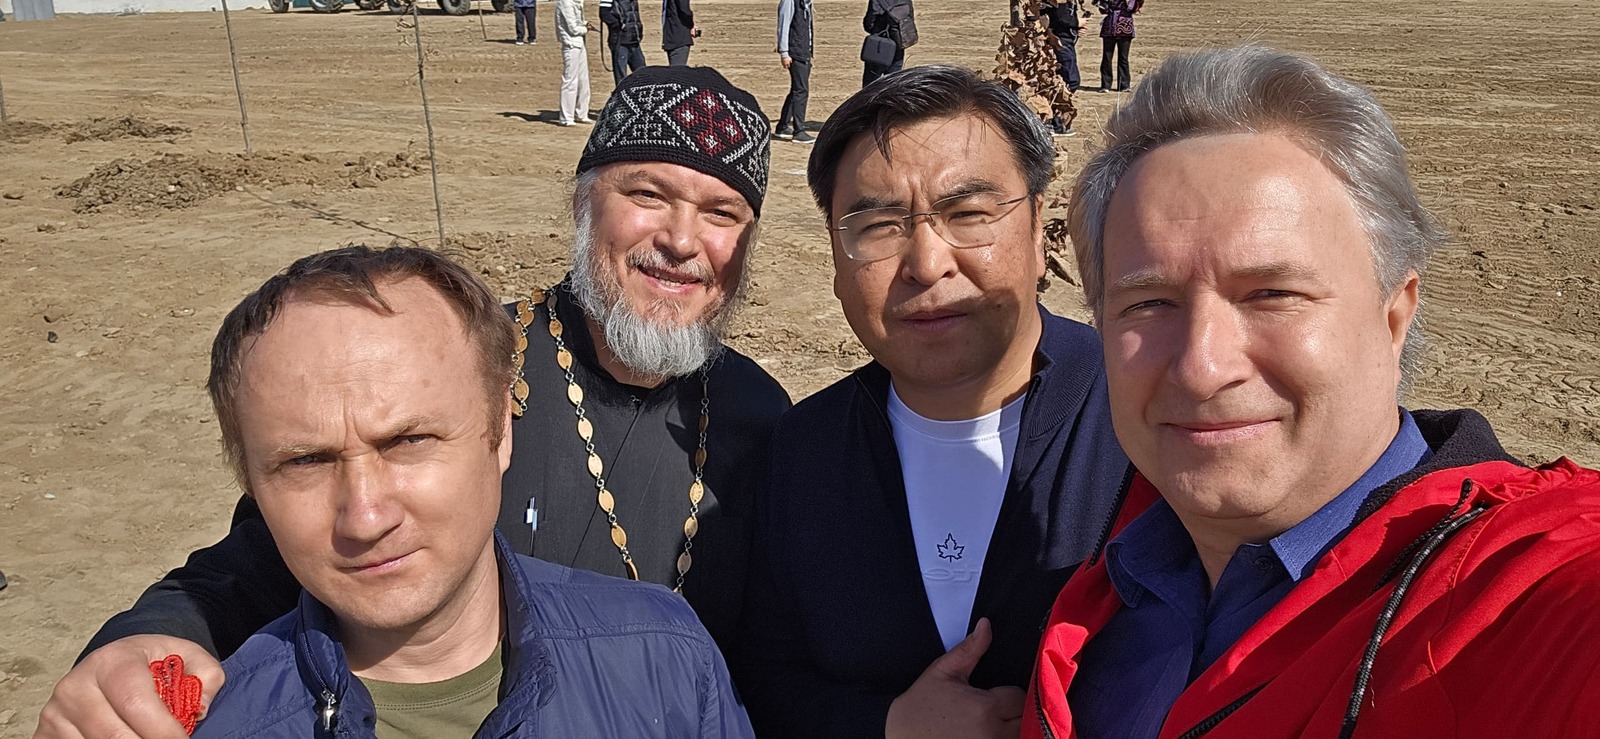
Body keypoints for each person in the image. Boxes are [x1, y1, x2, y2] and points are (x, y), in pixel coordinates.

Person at [35, 65, 789, 739]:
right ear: (584, 203)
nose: (681, 239)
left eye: (721, 214)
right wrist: (149, 640)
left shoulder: (762, 413)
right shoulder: (459, 369)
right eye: (648, 195)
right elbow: (276, 553)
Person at [1025, 45, 1600, 738]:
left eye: (1272, 294)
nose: (1202, 367)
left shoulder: (1525, 606)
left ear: (1394, 319)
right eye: (1148, 304)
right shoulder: (1101, 590)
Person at [168, 246, 753, 738]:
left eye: (409, 441)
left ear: (500, 430)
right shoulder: (213, 724)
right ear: (251, 482)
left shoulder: (668, 659)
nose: (365, 516)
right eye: (305, 461)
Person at [739, 65, 1129, 738]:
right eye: (878, 225)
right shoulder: (802, 452)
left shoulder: (1138, 420)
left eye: (968, 215)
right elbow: (767, 679)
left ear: (1040, 228)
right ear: (836, 258)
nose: (926, 262)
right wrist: (886, 724)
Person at [775, 0, 814, 144]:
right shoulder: (790, 1)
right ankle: (799, 131)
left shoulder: (807, 3)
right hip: (795, 52)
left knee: (796, 90)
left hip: (803, 52)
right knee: (801, 91)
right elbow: (783, 25)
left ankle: (783, 126)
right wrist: (784, 52)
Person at [555, 0, 594, 127]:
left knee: (583, 80)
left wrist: (585, 23)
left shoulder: (576, 2)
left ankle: (582, 113)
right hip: (570, 44)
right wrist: (585, 29)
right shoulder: (565, 3)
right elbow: (572, 28)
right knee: (570, 80)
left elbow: (577, 20)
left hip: (579, 43)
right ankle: (566, 117)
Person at [861, 0, 912, 86]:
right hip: (898, 42)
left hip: (879, 45)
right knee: (894, 80)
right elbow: (909, 19)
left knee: (871, 81)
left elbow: (869, 23)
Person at [1094, 0, 1140, 92]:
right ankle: (1105, 85)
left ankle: (1124, 85)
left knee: (1123, 58)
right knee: (1107, 57)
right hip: (1109, 28)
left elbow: (1133, 8)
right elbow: (1103, 9)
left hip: (1125, 27)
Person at [598, 0, 646, 84]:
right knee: (621, 77)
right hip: (619, 41)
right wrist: (618, 25)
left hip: (634, 39)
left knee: (643, 73)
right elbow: (604, 13)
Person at [662, 0, 697, 65]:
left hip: (675, 36)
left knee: (676, 68)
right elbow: (684, 10)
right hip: (675, 36)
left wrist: (691, 25)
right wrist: (691, 25)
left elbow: (684, 10)